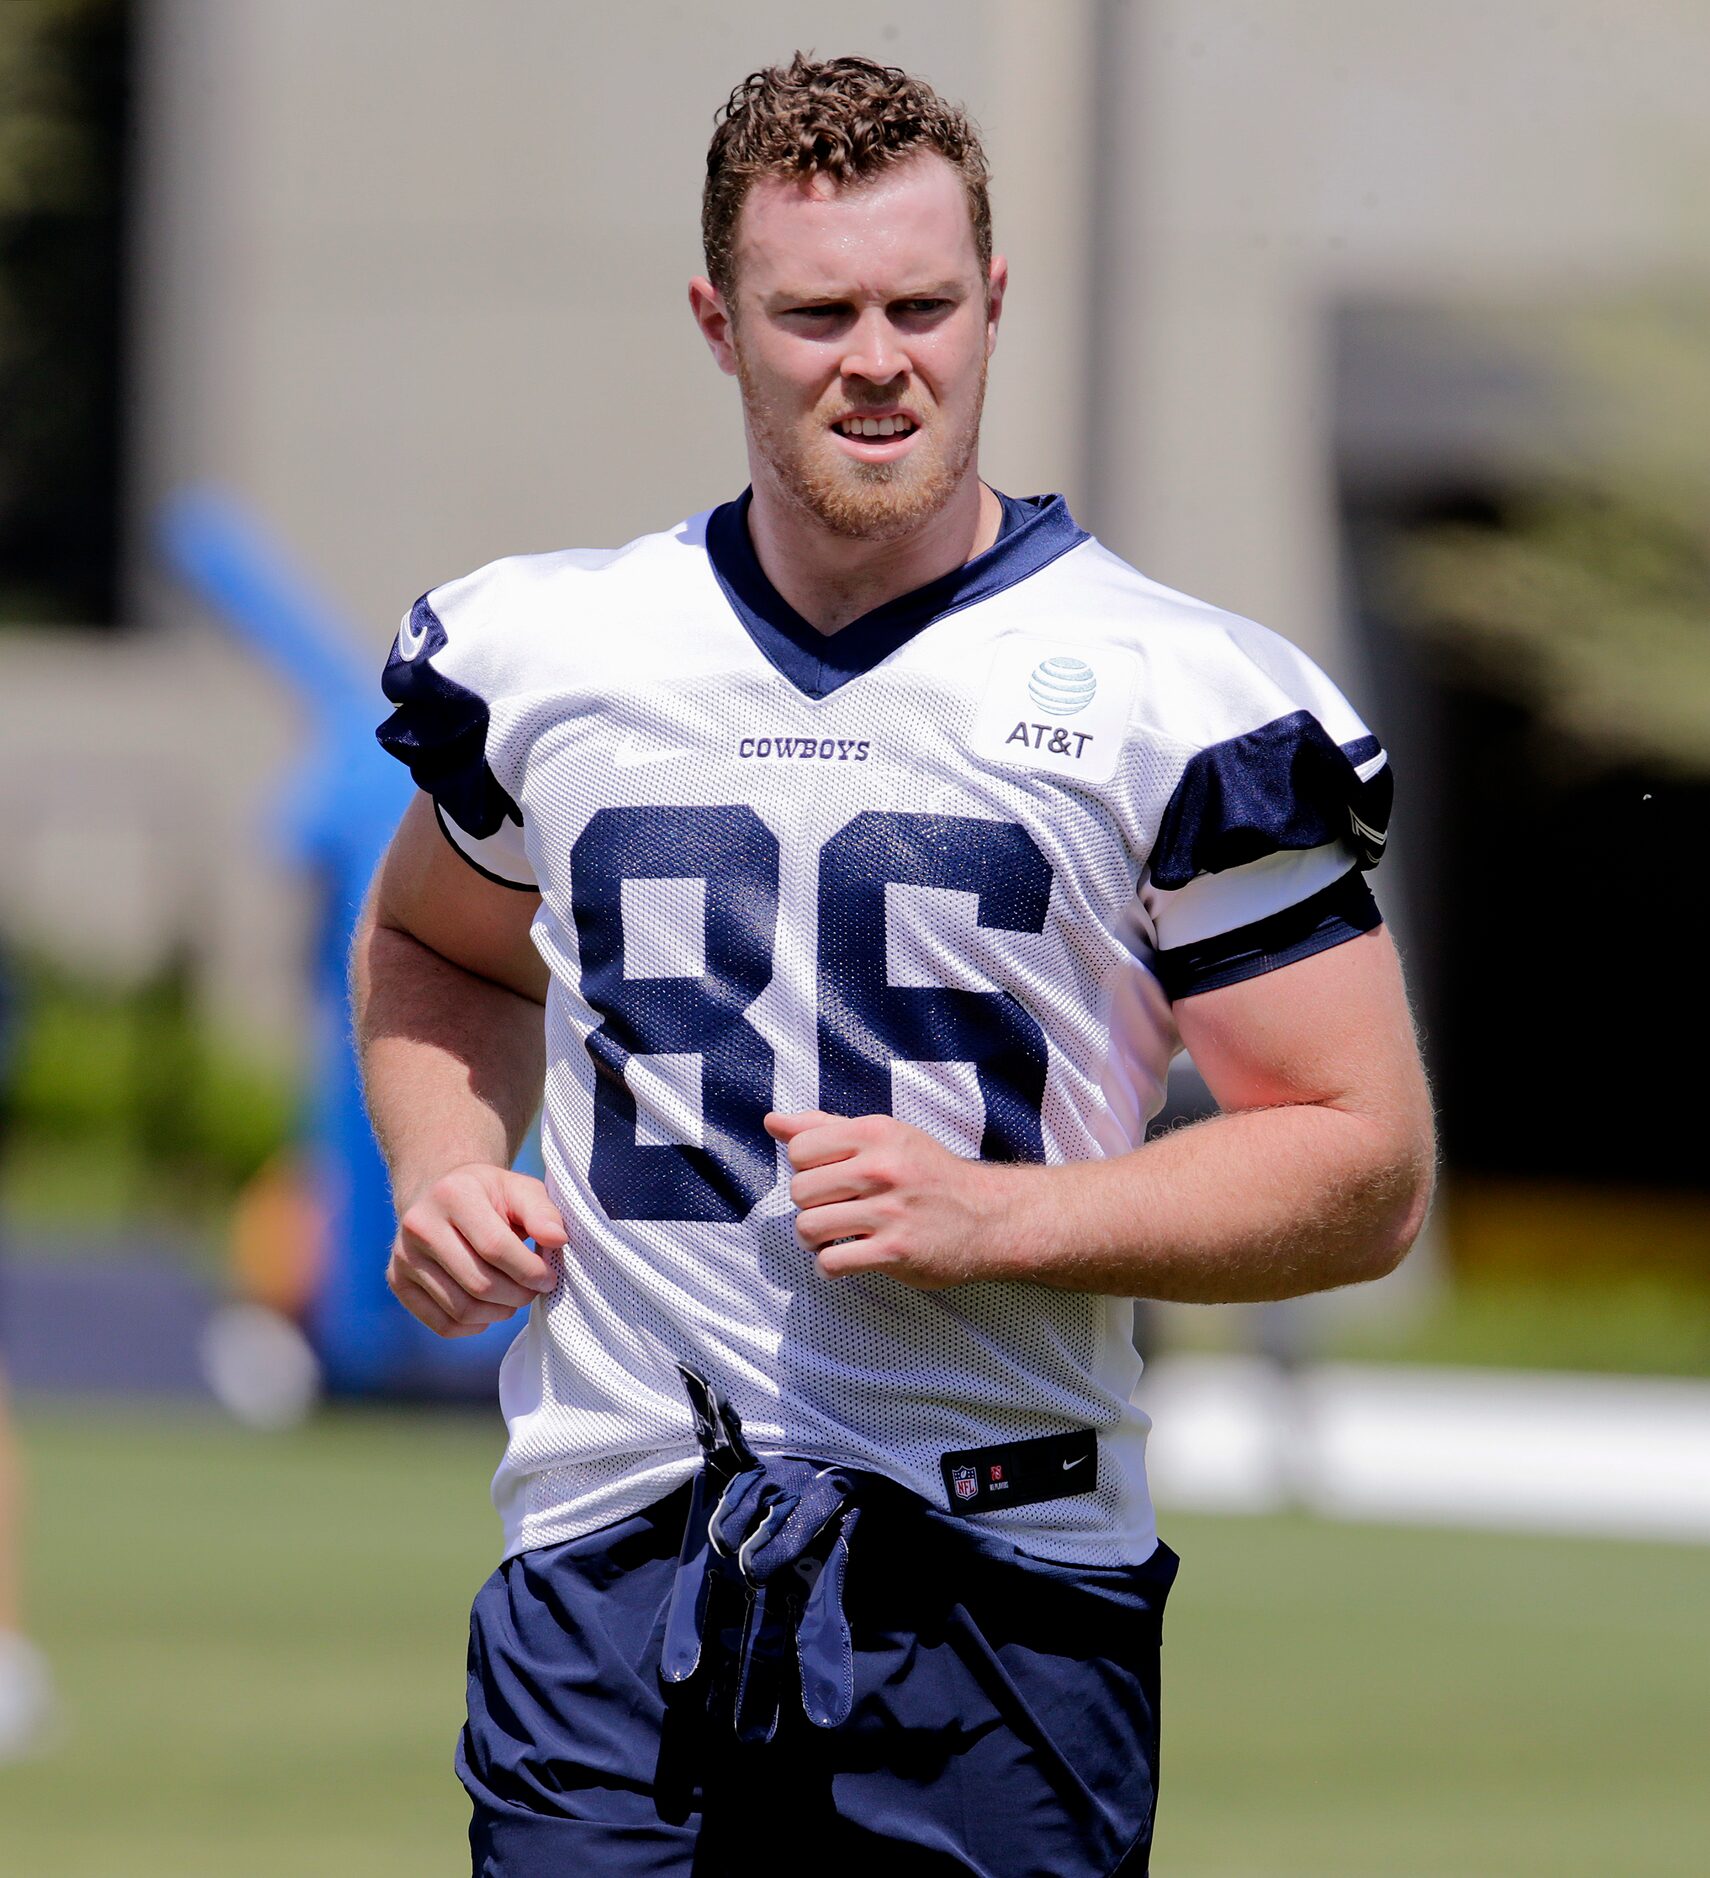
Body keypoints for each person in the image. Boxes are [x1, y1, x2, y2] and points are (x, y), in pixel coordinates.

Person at [352, 53, 1434, 1877]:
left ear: (993, 302)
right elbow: (431, 944)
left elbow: (1362, 1163)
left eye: (922, 305)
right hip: (610, 1566)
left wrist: (1002, 1217)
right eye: (816, 311)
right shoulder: (559, 651)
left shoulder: (1179, 695)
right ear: (718, 321)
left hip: (993, 1587)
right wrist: (447, 1167)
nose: (878, 358)